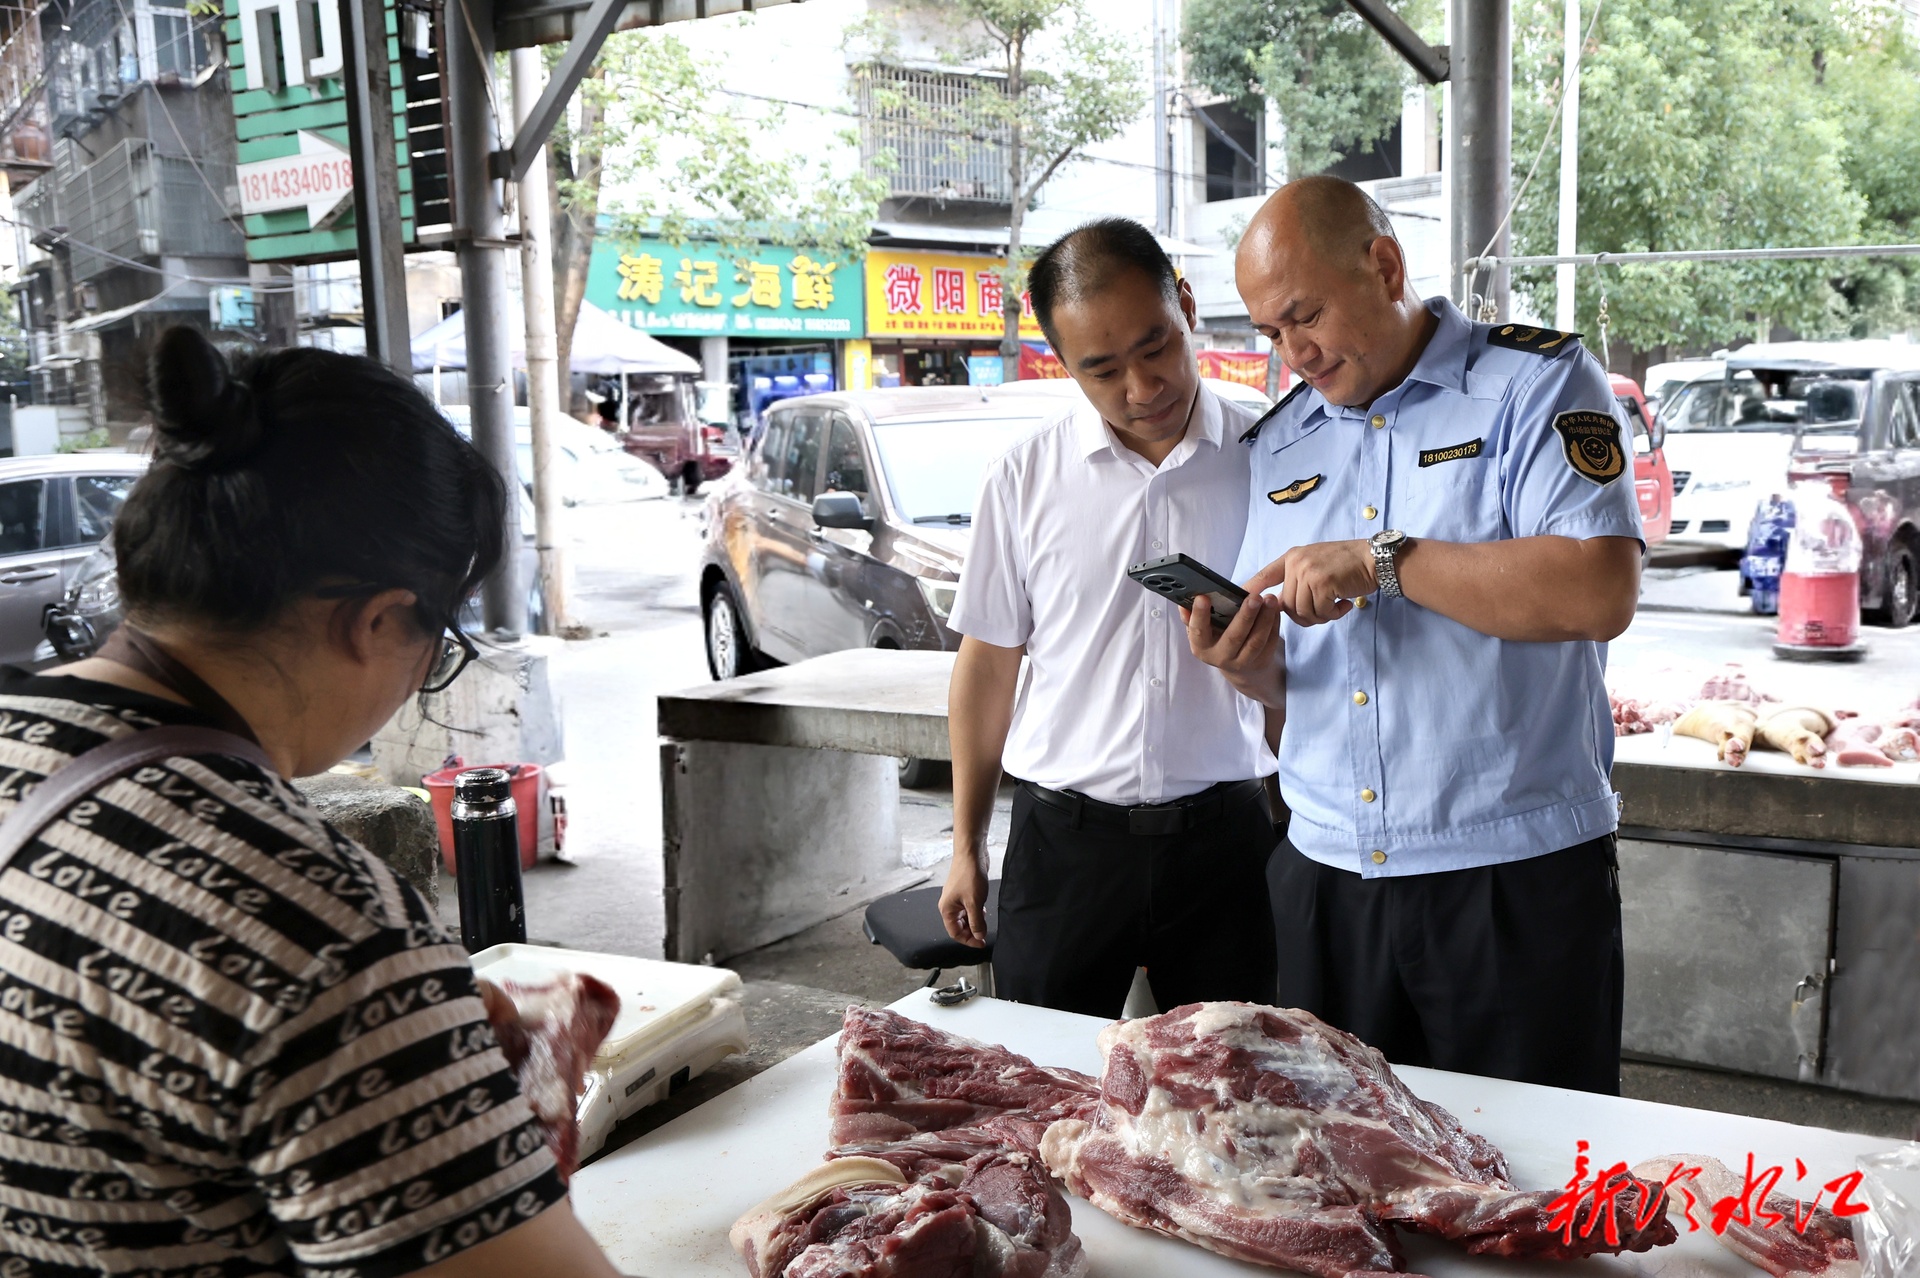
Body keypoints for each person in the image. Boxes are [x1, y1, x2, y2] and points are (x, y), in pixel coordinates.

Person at [0, 328, 624, 1276]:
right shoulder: (320, 928)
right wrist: (387, 1022)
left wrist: (414, 1051)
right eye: (438, 641)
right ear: (376, 621)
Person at [1190, 176, 1644, 1095]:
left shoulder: (1533, 384)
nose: (1293, 352)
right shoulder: (1281, 443)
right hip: (1327, 879)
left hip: (1509, 880)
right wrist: (1251, 666)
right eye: (1271, 334)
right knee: (1346, 1184)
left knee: (1534, 1185)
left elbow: (1600, 589)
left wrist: (1384, 561)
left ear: (1385, 266)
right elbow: (1299, 680)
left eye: (1305, 316)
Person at [937, 218, 1279, 1018]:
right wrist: (965, 845)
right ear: (1063, 365)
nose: (1142, 386)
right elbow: (988, 667)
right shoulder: (1023, 477)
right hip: (1065, 848)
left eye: (1156, 346)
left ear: (1187, 307)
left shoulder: (1272, 449)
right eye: (1103, 369)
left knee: (1233, 1096)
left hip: (1226, 843)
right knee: (1048, 1091)